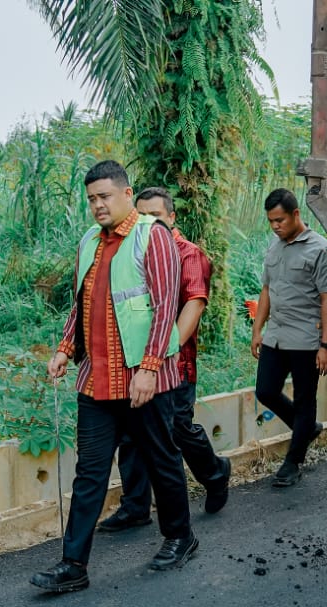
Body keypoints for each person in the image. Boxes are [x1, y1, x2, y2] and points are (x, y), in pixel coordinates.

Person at [35, 160, 196, 593]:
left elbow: (165, 305)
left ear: (127, 194)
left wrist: (149, 368)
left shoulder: (152, 236)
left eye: (104, 196)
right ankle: (73, 565)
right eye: (91, 199)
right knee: (89, 473)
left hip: (143, 380)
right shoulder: (89, 240)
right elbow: (81, 304)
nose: (98, 206)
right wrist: (65, 348)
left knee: (161, 460)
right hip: (97, 380)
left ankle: (180, 537)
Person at [96, 187, 231, 531]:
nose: (148, 222)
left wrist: (162, 355)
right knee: (132, 433)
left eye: (155, 216)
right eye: (141, 215)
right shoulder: (131, 250)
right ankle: (135, 506)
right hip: (135, 362)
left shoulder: (188, 254)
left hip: (174, 363)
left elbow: (194, 305)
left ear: (171, 217)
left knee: (177, 429)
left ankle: (215, 473)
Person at [250, 188, 327, 487]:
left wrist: (326, 345)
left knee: (304, 400)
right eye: (271, 221)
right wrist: (257, 330)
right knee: (265, 391)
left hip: (306, 339)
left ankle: (293, 462)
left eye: (280, 220)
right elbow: (266, 289)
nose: (275, 226)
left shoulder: (320, 249)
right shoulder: (274, 246)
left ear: (296, 214)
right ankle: (306, 429)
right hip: (276, 335)